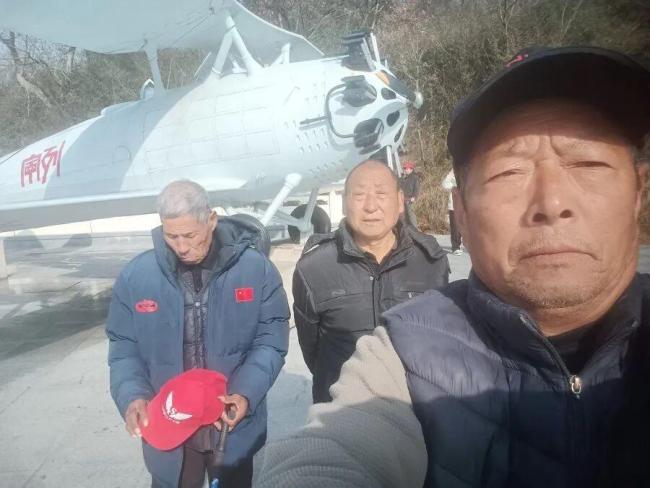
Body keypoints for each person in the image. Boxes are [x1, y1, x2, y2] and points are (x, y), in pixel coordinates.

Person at [253, 46, 650, 487]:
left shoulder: (429, 257)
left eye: (589, 164)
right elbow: (332, 447)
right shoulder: (404, 351)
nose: (553, 202)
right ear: (460, 210)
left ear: (640, 191)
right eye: (509, 173)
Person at [106, 180, 290, 488]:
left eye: (190, 235)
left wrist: (245, 393)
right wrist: (132, 396)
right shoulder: (136, 276)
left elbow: (271, 339)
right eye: (171, 236)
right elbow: (124, 348)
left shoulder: (255, 270)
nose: (181, 247)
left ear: (211, 220)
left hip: (230, 423)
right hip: (169, 424)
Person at [293, 159, 449, 403]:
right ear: (344, 203)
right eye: (359, 195)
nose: (370, 206)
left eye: (381, 194)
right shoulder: (313, 268)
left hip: (415, 407)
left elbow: (439, 339)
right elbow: (312, 348)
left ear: (400, 201)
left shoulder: (430, 261)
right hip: (342, 408)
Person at [442, 168, 462, 254]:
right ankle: (455, 247)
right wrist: (450, 174)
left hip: (466, 206)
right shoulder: (451, 179)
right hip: (453, 206)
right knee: (455, 227)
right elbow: (444, 185)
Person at [400, 160, 420, 228]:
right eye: (404, 168)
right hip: (403, 199)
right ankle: (408, 230)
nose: (405, 170)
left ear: (411, 169)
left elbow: (417, 188)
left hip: (410, 200)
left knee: (411, 216)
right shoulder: (404, 178)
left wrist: (414, 197)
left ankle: (415, 230)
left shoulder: (415, 178)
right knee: (405, 216)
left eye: (406, 168)